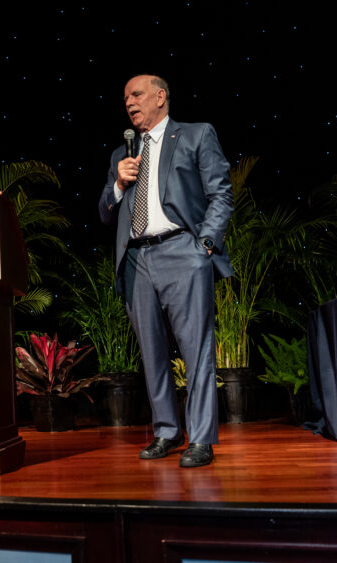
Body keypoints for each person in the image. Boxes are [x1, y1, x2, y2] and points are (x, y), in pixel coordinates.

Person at [98, 74, 233, 467]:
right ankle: (167, 431)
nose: (129, 102)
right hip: (136, 259)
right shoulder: (121, 155)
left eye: (137, 95)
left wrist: (204, 245)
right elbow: (105, 212)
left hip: (182, 251)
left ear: (160, 97)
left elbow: (221, 193)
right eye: (125, 98)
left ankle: (201, 438)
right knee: (151, 352)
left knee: (196, 349)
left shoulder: (195, 135)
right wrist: (118, 184)